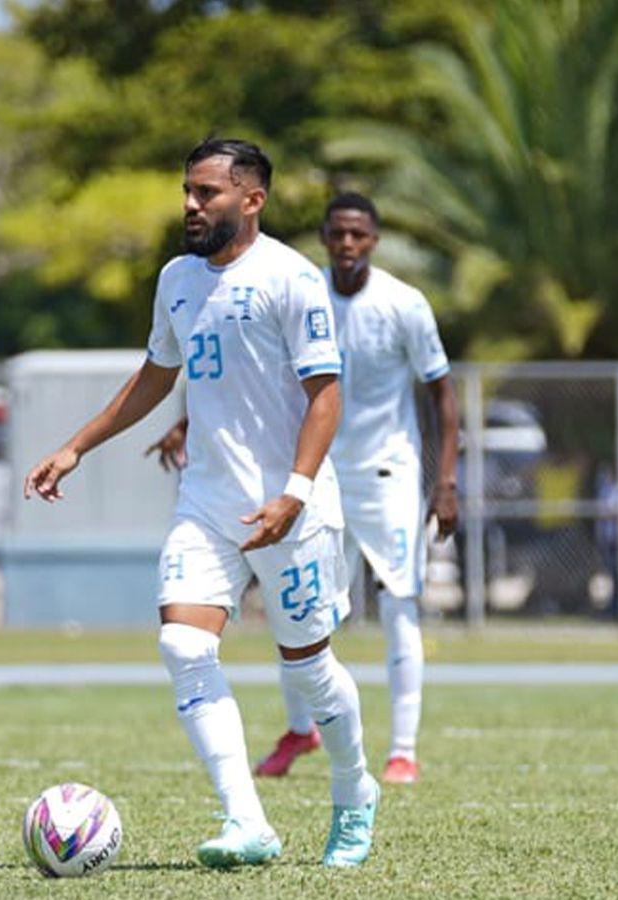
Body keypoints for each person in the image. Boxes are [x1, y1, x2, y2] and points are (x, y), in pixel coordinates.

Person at [25, 139, 379, 869]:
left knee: (309, 668)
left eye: (207, 193)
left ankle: (354, 791)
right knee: (184, 646)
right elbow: (156, 375)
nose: (190, 205)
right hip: (207, 502)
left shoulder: (290, 278)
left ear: (252, 200)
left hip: (293, 508)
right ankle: (246, 821)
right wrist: (77, 446)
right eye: (187, 191)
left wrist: (295, 493)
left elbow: (326, 397)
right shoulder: (176, 280)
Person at [149, 192, 459, 785]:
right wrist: (185, 423)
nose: (347, 245)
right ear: (323, 237)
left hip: (386, 475)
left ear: (374, 240)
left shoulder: (403, 304)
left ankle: (402, 749)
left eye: (359, 235)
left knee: (399, 605)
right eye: (338, 233)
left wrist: (445, 481)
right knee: (302, 615)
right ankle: (302, 729)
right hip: (309, 478)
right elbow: (252, 375)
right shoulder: (298, 284)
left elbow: (442, 394)